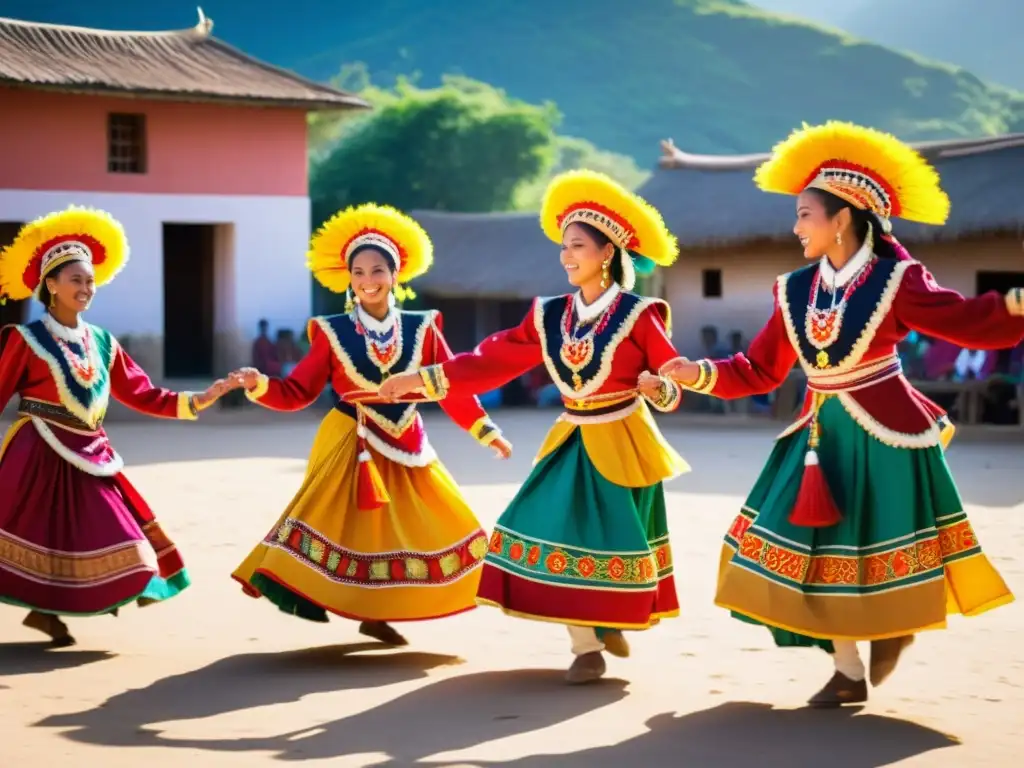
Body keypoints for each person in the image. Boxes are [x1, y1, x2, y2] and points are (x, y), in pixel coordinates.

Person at [662, 121, 1024, 706]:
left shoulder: (895, 280)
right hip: (818, 436)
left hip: (884, 436)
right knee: (800, 547)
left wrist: (1014, 304)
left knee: (864, 550)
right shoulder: (793, 290)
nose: (795, 225)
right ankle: (850, 666)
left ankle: (878, 640)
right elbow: (758, 369)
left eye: (806, 214)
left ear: (843, 218)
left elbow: (963, 321)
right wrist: (695, 373)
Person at [381, 170, 689, 684]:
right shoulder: (549, 315)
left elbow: (670, 375)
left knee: (610, 542)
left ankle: (604, 618)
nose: (566, 256)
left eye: (577, 246)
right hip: (570, 439)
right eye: (563, 247)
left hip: (624, 440)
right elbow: (490, 359)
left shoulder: (639, 315)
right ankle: (586, 646)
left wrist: (661, 389)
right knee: (538, 527)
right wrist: (420, 378)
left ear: (606, 253)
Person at [229, 203, 511, 646]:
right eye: (357, 272)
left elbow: (449, 384)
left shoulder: (423, 328)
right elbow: (297, 393)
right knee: (354, 529)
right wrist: (260, 384)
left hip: (408, 439)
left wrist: (485, 430)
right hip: (351, 440)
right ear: (348, 279)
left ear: (396, 274)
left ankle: (381, 611)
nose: (367, 281)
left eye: (377, 270)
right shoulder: (331, 331)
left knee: (435, 522)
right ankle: (359, 606)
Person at [0, 206, 230, 646]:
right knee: (39, 536)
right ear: (51, 285)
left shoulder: (102, 341)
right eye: (76, 280)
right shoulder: (24, 339)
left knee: (115, 537)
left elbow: (142, 392)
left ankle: (54, 609)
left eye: (90, 281)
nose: (86, 288)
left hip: (92, 453)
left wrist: (197, 399)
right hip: (38, 452)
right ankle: (45, 612)